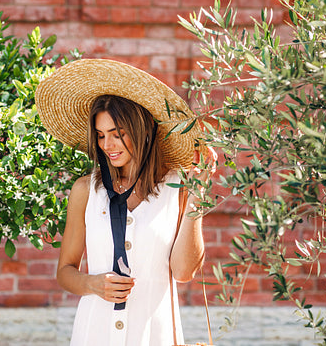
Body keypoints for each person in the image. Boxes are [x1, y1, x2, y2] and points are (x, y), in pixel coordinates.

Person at [35, 59, 216, 346]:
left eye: (118, 134)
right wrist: (92, 284)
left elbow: (183, 272)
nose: (108, 145)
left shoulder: (177, 188)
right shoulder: (86, 190)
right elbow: (65, 271)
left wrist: (198, 194)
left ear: (142, 130)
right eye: (101, 135)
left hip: (155, 335)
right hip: (94, 334)